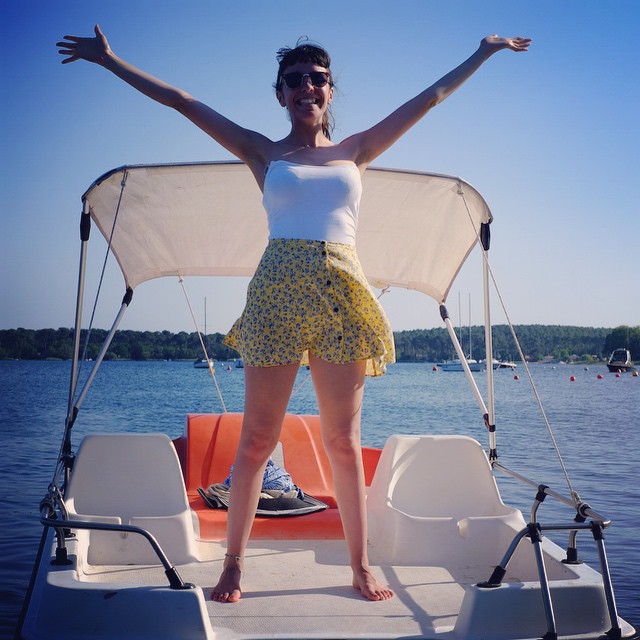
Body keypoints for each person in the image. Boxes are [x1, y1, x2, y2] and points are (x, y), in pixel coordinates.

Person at [57, 26, 531, 603]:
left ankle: (359, 566)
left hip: (342, 294)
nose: (307, 86)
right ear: (280, 93)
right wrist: (110, 61)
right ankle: (233, 565)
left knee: (344, 442)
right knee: (257, 439)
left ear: (330, 90)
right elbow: (182, 101)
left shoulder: (357, 150)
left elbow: (429, 98)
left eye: (317, 78)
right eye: (295, 80)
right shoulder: (263, 151)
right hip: (277, 293)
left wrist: (482, 53)